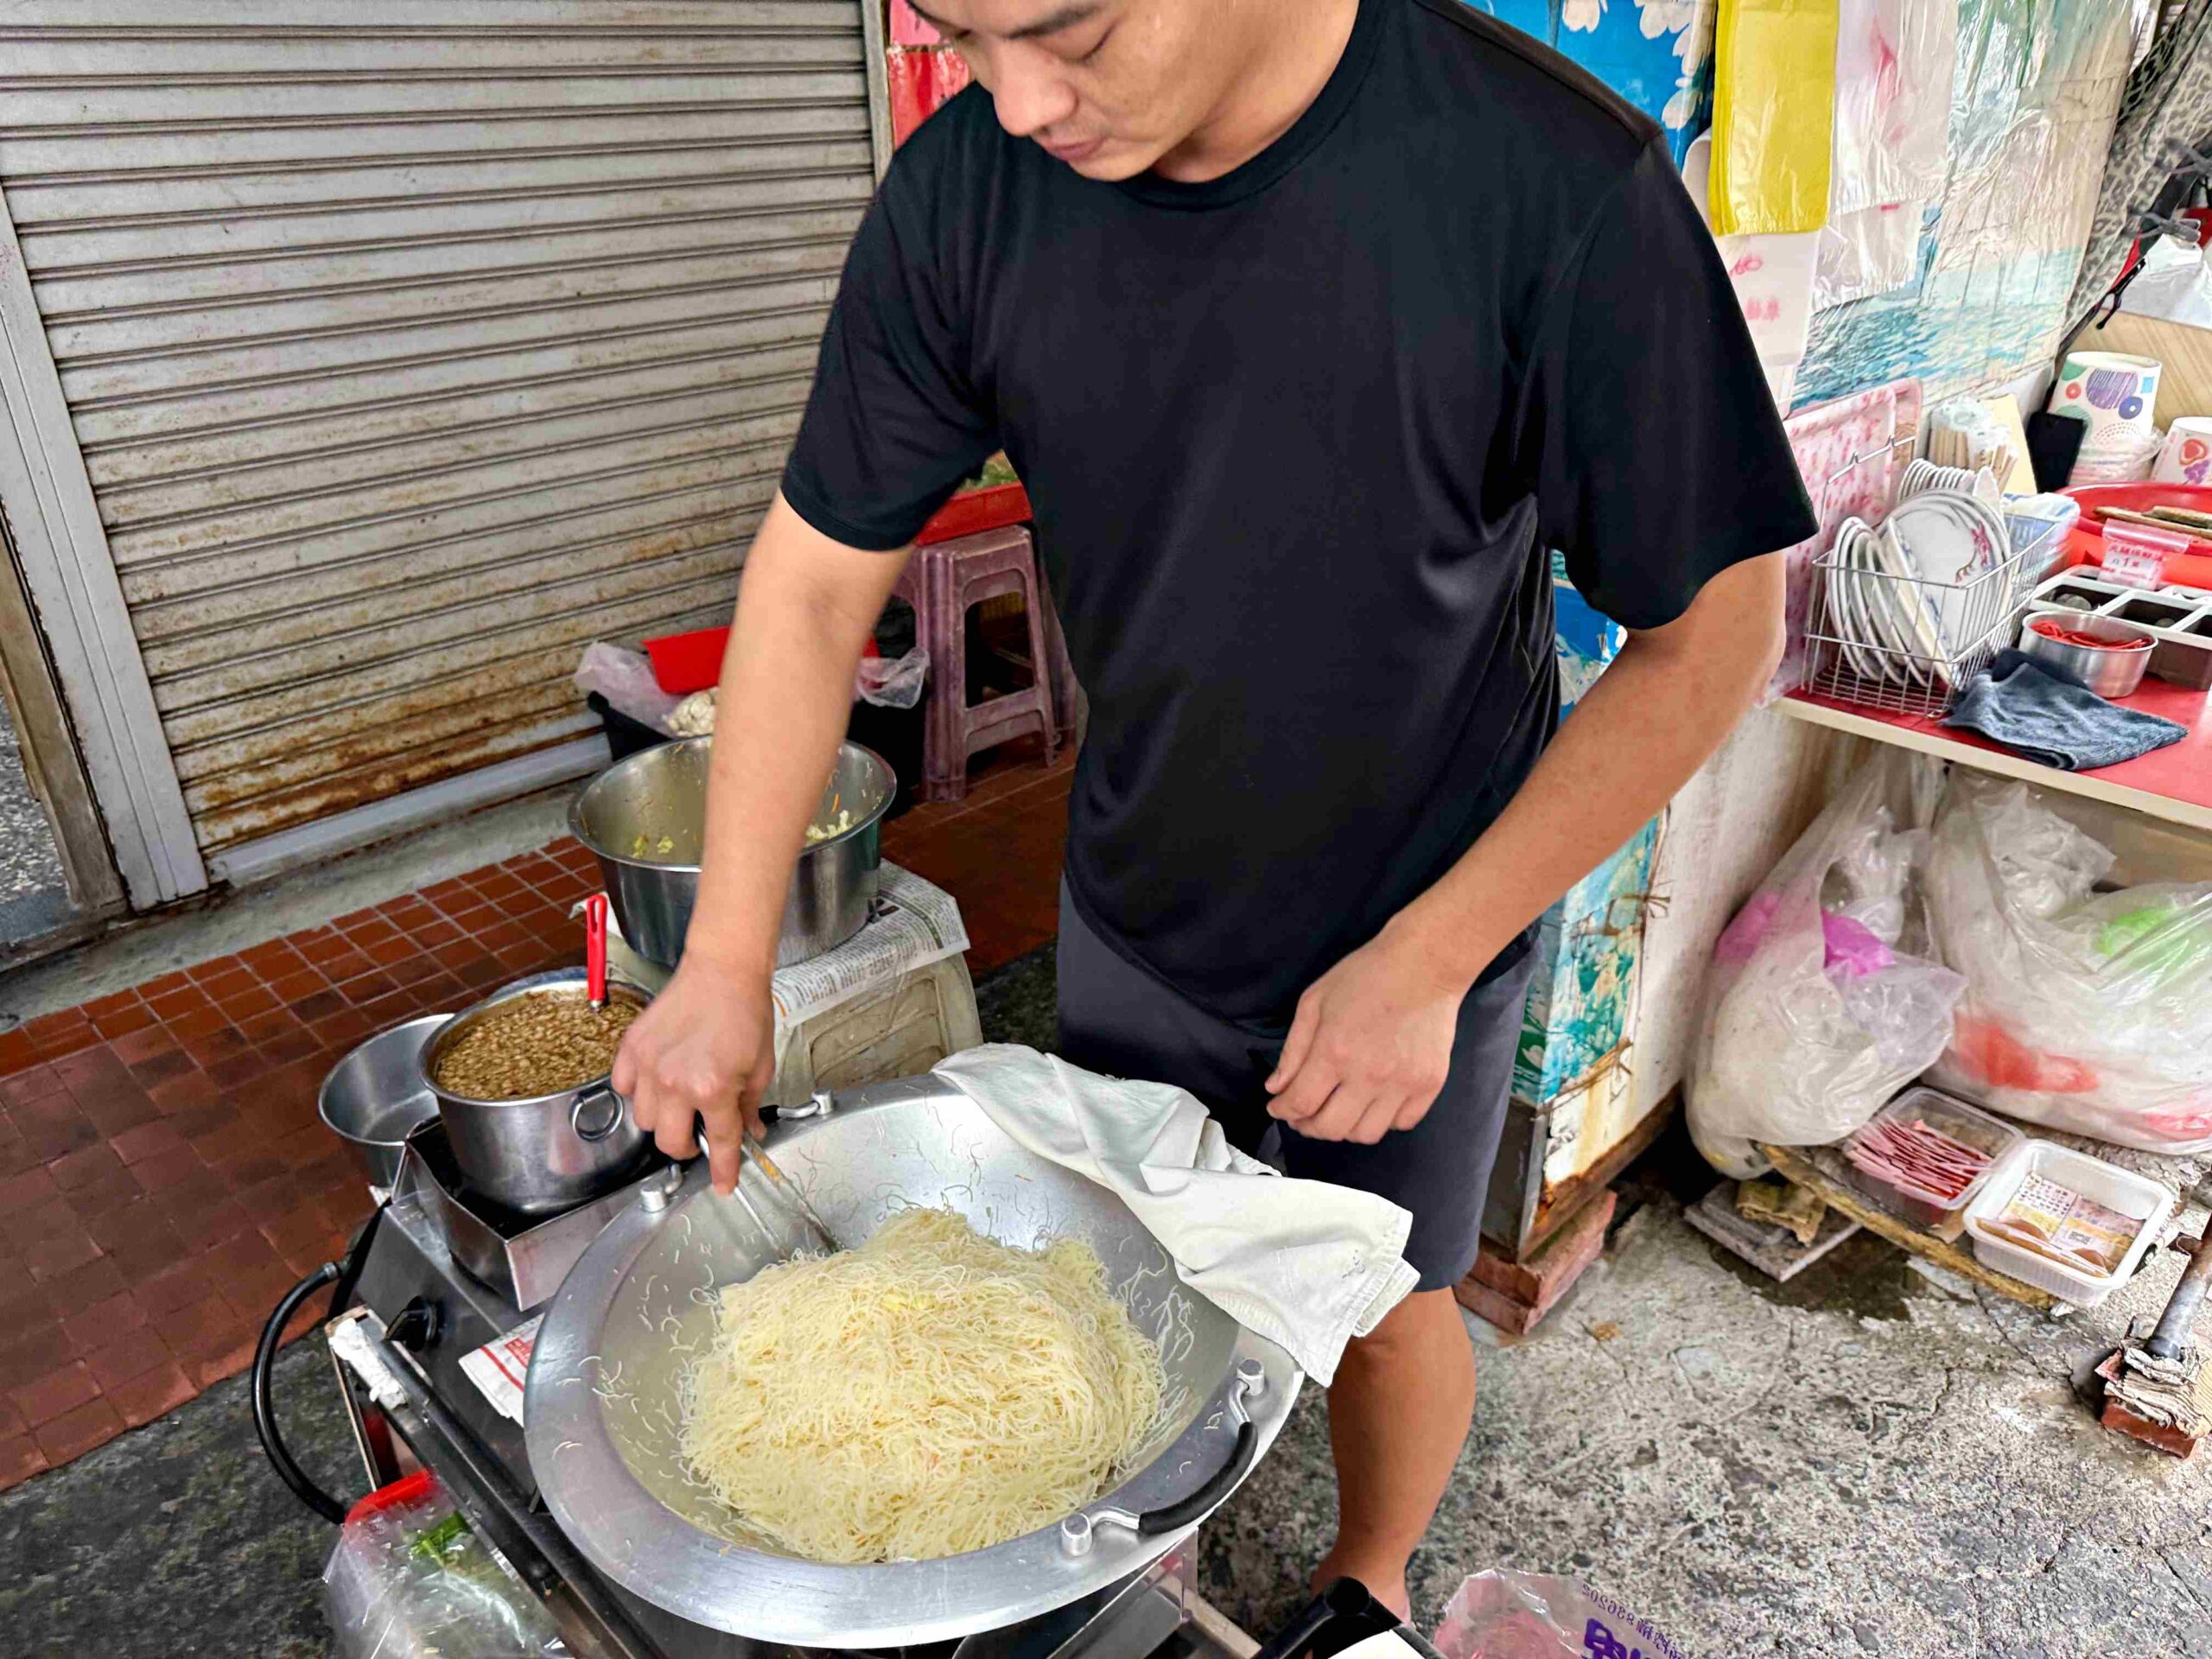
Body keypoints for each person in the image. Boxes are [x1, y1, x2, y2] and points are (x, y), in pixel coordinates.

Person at [612, 0, 1816, 1612]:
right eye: (962, 37)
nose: (1019, 102)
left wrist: (1433, 959)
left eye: (1072, 31)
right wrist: (723, 962)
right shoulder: (967, 191)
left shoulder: (1549, 185)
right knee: (1120, 1277)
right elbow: (817, 582)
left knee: (1388, 1301)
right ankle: (1130, 1566)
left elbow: (1714, 638)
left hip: (1422, 919)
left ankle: (1369, 1581)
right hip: (1144, 897)